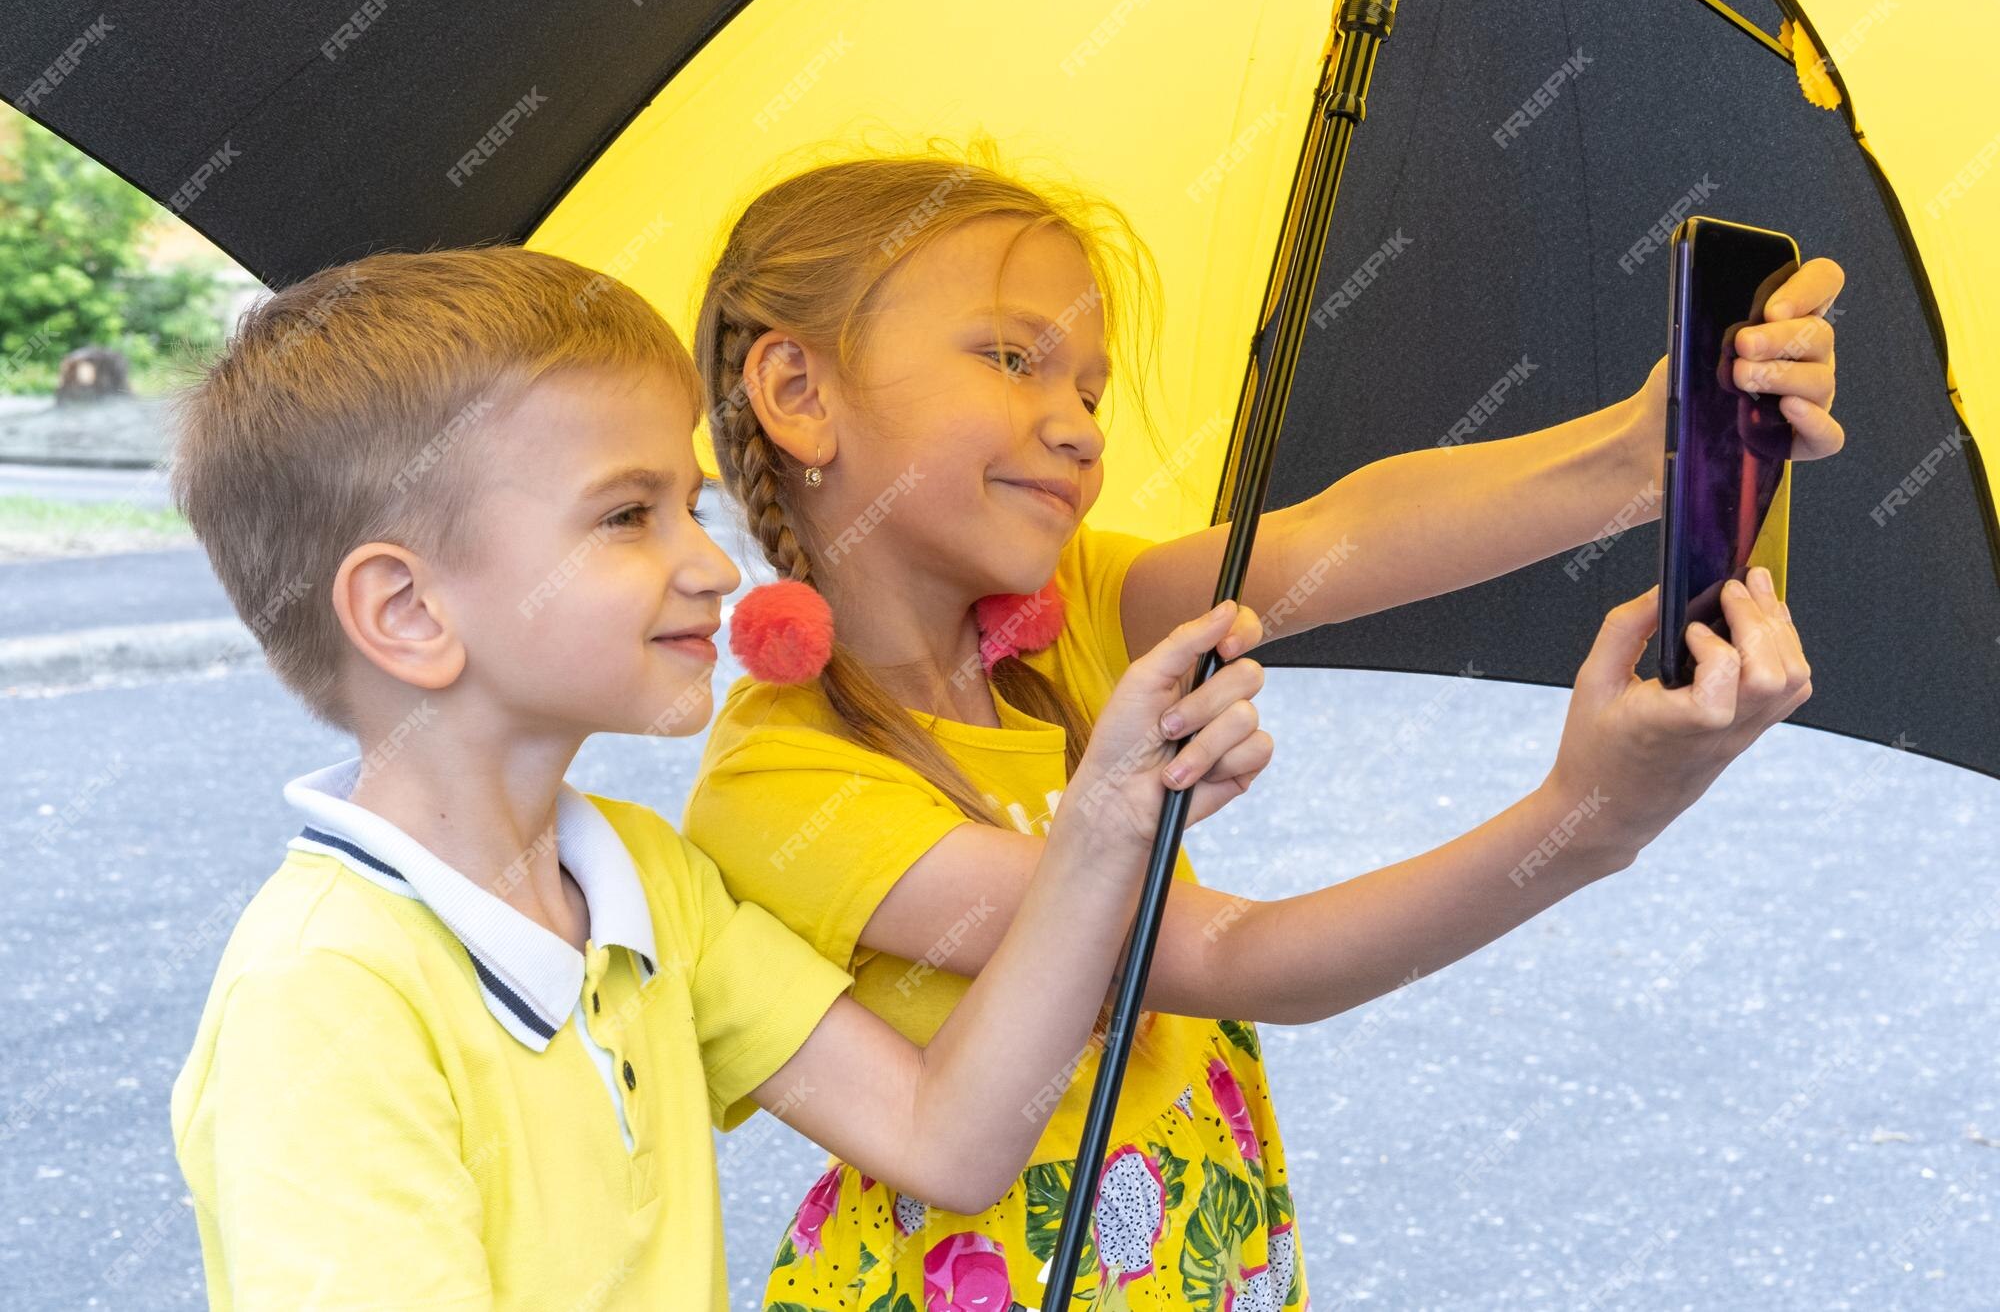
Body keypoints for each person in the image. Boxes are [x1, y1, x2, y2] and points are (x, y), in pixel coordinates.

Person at [681, 145, 1838, 1309]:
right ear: (797, 394)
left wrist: (1636, 456)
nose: (1079, 428)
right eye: (1010, 358)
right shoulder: (786, 783)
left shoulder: (1068, 617)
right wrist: (1582, 820)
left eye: (1087, 388)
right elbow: (1239, 957)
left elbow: (1343, 532)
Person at [163, 244, 1277, 1311]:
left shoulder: (646, 883)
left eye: (690, 508)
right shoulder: (323, 998)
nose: (709, 565)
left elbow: (948, 1140)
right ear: (407, 612)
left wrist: (1101, 827)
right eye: (624, 515)